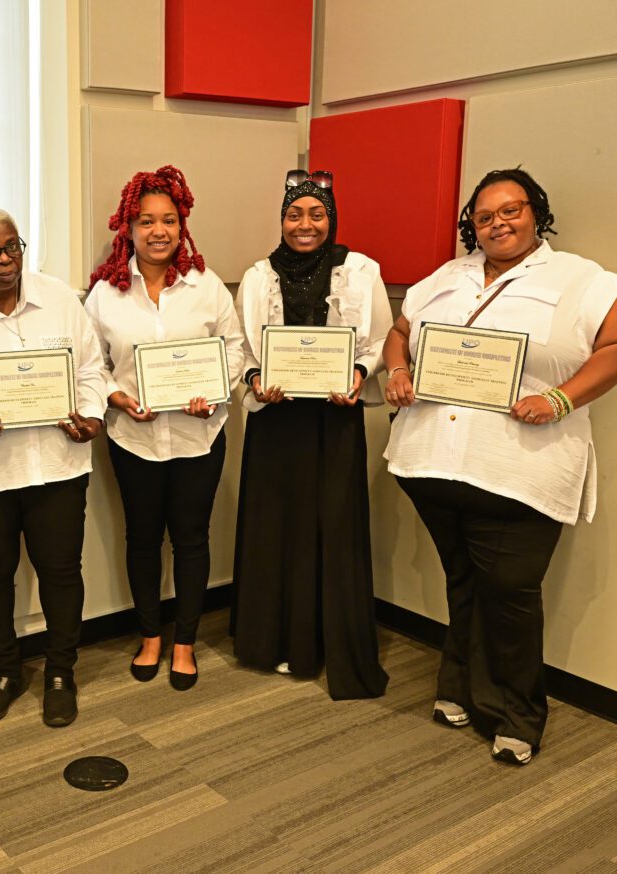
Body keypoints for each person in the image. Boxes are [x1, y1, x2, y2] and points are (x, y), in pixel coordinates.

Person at [383, 167, 617, 764]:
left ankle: (517, 714)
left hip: (520, 469)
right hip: (432, 461)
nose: (497, 223)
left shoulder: (580, 279)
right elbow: (400, 331)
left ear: (536, 212)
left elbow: (613, 347)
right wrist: (401, 371)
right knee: (464, 581)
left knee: (510, 593)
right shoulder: (446, 276)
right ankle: (456, 686)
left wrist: (560, 397)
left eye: (510, 210)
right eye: (484, 216)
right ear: (472, 226)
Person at [0, 207, 107, 727]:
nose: (5, 259)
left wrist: (92, 416)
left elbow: (91, 370)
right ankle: (4, 672)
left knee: (60, 573)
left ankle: (60, 672)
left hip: (57, 465)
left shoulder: (59, 300)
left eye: (13, 246)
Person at [230, 170, 390, 700]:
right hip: (277, 423)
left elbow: (379, 343)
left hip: (335, 419)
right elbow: (244, 352)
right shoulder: (258, 276)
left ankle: (326, 642)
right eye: (295, 214)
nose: (305, 224)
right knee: (275, 524)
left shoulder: (362, 272)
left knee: (333, 524)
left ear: (332, 218)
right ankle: (272, 640)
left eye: (316, 214)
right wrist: (256, 380)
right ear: (281, 220)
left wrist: (359, 375)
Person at [84, 165, 244, 690]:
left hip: (200, 437)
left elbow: (236, 351)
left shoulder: (207, 286)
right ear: (127, 227)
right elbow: (89, 362)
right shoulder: (106, 293)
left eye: (169, 221)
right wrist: (116, 397)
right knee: (143, 539)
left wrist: (215, 392)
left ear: (183, 226)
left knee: (192, 540)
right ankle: (150, 635)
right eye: (146, 221)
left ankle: (184, 643)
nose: (159, 231)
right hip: (134, 438)